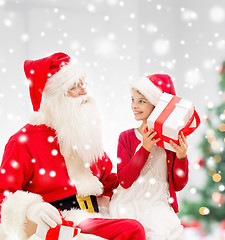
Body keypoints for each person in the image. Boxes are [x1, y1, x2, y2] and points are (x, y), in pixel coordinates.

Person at [0, 52, 145, 240]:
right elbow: (3, 193)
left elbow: (108, 180)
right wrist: (30, 208)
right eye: (73, 88)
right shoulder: (23, 141)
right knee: (131, 230)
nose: (84, 92)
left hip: (94, 216)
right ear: (54, 97)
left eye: (83, 84)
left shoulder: (83, 133)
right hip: (60, 224)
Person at [109, 74, 189, 240]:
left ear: (158, 106)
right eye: (132, 100)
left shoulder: (171, 141)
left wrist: (181, 158)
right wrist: (144, 148)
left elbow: (178, 184)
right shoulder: (126, 137)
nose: (134, 106)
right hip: (129, 202)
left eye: (141, 101)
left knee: (160, 231)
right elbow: (124, 180)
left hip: (158, 203)